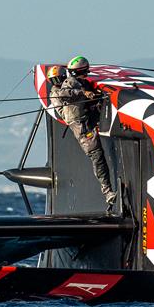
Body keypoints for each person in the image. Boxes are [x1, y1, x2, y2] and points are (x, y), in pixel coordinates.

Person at [49, 56, 117, 209]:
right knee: (96, 156)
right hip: (81, 126)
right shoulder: (67, 85)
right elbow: (64, 94)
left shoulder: (79, 82)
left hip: (87, 117)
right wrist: (84, 94)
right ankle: (108, 192)